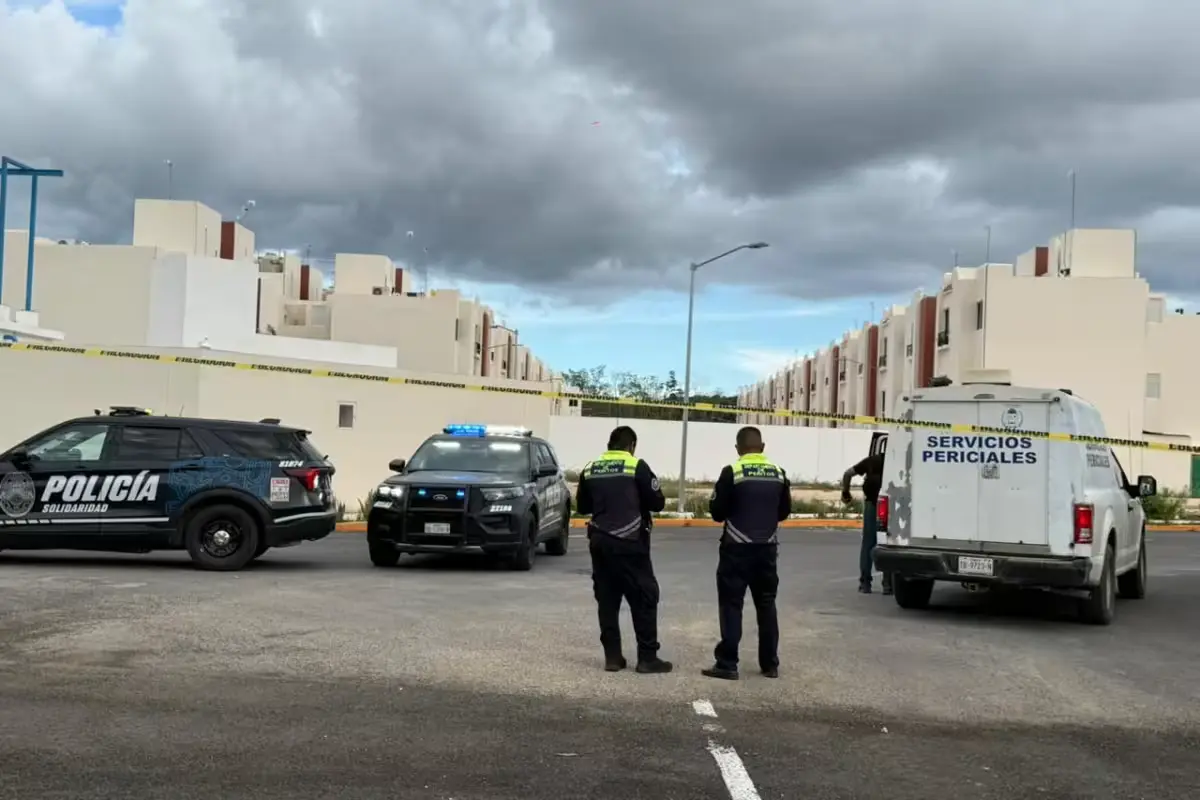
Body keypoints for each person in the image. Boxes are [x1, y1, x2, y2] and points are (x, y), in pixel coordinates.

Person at [574, 425, 672, 674]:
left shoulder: (590, 468)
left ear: (609, 445)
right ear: (632, 446)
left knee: (607, 599)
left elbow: (583, 506)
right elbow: (657, 502)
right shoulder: (636, 466)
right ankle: (647, 657)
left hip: (600, 542)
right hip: (631, 542)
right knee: (645, 596)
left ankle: (613, 657)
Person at [702, 426, 792, 681]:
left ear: (738, 449)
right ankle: (770, 664)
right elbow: (784, 512)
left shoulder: (733, 472)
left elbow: (717, 512)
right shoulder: (779, 473)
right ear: (762, 447)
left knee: (732, 604)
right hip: (767, 549)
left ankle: (727, 664)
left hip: (736, 549)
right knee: (766, 604)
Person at [842, 439, 891, 595]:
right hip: (891, 506)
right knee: (889, 544)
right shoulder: (897, 463)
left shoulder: (872, 460)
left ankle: (865, 582)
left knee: (868, 544)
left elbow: (848, 473)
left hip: (872, 504)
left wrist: (846, 491)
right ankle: (888, 584)